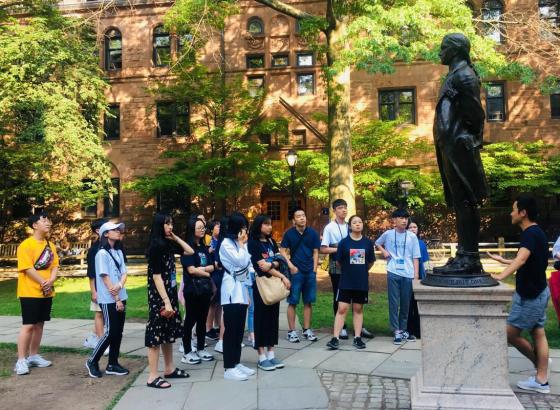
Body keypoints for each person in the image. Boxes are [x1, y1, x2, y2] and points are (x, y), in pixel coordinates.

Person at [432, 33, 488, 275]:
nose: (440, 52)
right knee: (459, 202)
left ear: (455, 50)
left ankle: (470, 258)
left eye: (443, 48)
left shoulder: (464, 75)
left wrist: (469, 138)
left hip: (459, 147)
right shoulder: (454, 74)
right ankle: (464, 255)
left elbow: (476, 114)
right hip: (450, 146)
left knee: (466, 201)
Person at [487, 195, 551, 394]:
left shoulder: (530, 234)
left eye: (514, 209)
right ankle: (541, 375)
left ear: (523, 213)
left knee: (509, 333)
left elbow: (522, 259)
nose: (511, 213)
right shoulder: (536, 233)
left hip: (531, 296)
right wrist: (503, 261)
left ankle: (541, 372)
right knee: (538, 332)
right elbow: (527, 260)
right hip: (537, 291)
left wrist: (500, 276)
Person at [145, 213, 194, 389]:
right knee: (156, 334)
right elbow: (156, 277)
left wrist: (175, 237)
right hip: (159, 297)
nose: (170, 226)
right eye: (167, 224)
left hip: (169, 294)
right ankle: (152, 376)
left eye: (171, 223)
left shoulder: (167, 244)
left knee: (168, 332)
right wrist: (166, 301)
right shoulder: (156, 246)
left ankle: (169, 369)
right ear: (159, 225)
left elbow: (190, 251)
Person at [320, 199, 374, 340]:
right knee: (339, 296)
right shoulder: (330, 227)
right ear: (334, 210)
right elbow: (323, 249)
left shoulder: (351, 225)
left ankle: (359, 328)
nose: (343, 210)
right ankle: (341, 328)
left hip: (355, 265)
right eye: (340, 208)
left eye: (345, 207)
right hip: (337, 265)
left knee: (358, 298)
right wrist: (341, 249)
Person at [14, 212, 58, 375]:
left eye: (49, 220)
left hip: (46, 292)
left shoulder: (50, 245)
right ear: (34, 225)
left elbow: (55, 266)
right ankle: (21, 360)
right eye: (44, 220)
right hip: (29, 292)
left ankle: (33, 356)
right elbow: (27, 268)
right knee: (29, 325)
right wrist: (43, 282)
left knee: (40, 324)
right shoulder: (26, 245)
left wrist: (51, 281)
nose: (48, 223)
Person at [85, 221, 129, 378]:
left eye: (119, 229)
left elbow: (124, 273)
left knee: (118, 332)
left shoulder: (118, 252)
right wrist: (116, 298)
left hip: (121, 296)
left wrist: (120, 286)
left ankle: (113, 364)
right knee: (111, 332)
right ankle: (92, 361)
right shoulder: (101, 254)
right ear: (105, 234)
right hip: (109, 299)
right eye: (114, 230)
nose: (118, 232)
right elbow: (105, 278)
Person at [247, 214, 291, 370]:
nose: (270, 227)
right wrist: (282, 275)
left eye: (270, 224)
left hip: (273, 285)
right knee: (261, 319)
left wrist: (272, 264)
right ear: (258, 225)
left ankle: (271, 353)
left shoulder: (271, 242)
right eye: (266, 224)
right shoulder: (253, 243)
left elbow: (279, 261)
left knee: (273, 319)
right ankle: (261, 356)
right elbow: (261, 267)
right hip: (261, 285)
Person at [375, 209, 420, 345]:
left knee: (406, 303)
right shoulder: (388, 234)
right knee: (394, 303)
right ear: (394, 220)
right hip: (393, 271)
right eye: (401, 218)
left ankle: (403, 329)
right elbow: (377, 243)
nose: (404, 221)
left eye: (406, 218)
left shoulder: (412, 237)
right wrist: (384, 251)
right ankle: (396, 331)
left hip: (408, 273)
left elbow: (416, 257)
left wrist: (416, 276)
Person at [219, 212, 256, 381]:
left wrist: (247, 293)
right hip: (231, 292)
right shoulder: (226, 244)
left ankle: (236, 362)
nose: (245, 231)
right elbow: (241, 261)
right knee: (231, 330)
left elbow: (247, 264)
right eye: (243, 228)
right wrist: (242, 244)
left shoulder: (239, 243)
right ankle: (229, 367)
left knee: (239, 329)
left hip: (241, 290)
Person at [280, 207, 321, 343]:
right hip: (296, 272)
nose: (302, 218)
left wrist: (314, 269)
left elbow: (316, 252)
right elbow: (282, 251)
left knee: (308, 302)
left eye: (303, 215)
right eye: (298, 216)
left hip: (310, 272)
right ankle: (291, 331)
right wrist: (290, 266)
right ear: (294, 220)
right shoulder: (289, 234)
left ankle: (307, 329)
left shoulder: (313, 233)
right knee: (293, 301)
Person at [180, 218, 215, 364]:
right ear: (191, 229)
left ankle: (200, 348)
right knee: (190, 320)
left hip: (205, 289)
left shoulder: (203, 247)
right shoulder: (187, 248)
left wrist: (203, 269)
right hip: (192, 290)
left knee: (202, 319)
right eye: (199, 227)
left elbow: (212, 266)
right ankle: (187, 351)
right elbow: (191, 270)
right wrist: (207, 273)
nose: (203, 230)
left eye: (203, 227)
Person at [84, 218, 108, 351]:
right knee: (99, 313)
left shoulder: (112, 245)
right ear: (98, 230)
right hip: (99, 287)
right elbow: (91, 273)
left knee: (106, 314)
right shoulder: (94, 250)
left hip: (111, 286)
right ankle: (101, 343)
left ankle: (92, 337)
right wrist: (93, 291)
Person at [406, 220, 430, 339]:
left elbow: (425, 261)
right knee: (408, 304)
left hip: (419, 276)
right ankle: (408, 329)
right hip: (406, 276)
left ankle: (419, 330)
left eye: (415, 227)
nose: (413, 229)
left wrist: (427, 274)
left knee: (418, 304)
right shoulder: (404, 242)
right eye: (410, 227)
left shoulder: (421, 243)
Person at [205, 219, 222, 341]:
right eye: (217, 226)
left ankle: (218, 326)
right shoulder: (209, 242)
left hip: (219, 274)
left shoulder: (220, 241)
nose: (219, 228)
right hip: (213, 275)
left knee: (219, 303)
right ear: (212, 229)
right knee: (212, 304)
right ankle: (208, 328)